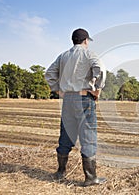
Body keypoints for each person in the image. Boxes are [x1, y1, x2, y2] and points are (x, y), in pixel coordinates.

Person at [45, 28, 106, 186]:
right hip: (84, 97)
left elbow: (49, 73)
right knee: (88, 138)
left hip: (67, 99)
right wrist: (97, 89)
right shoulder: (89, 54)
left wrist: (58, 90)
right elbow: (101, 70)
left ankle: (60, 172)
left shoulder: (63, 56)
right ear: (86, 40)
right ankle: (91, 178)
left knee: (66, 135)